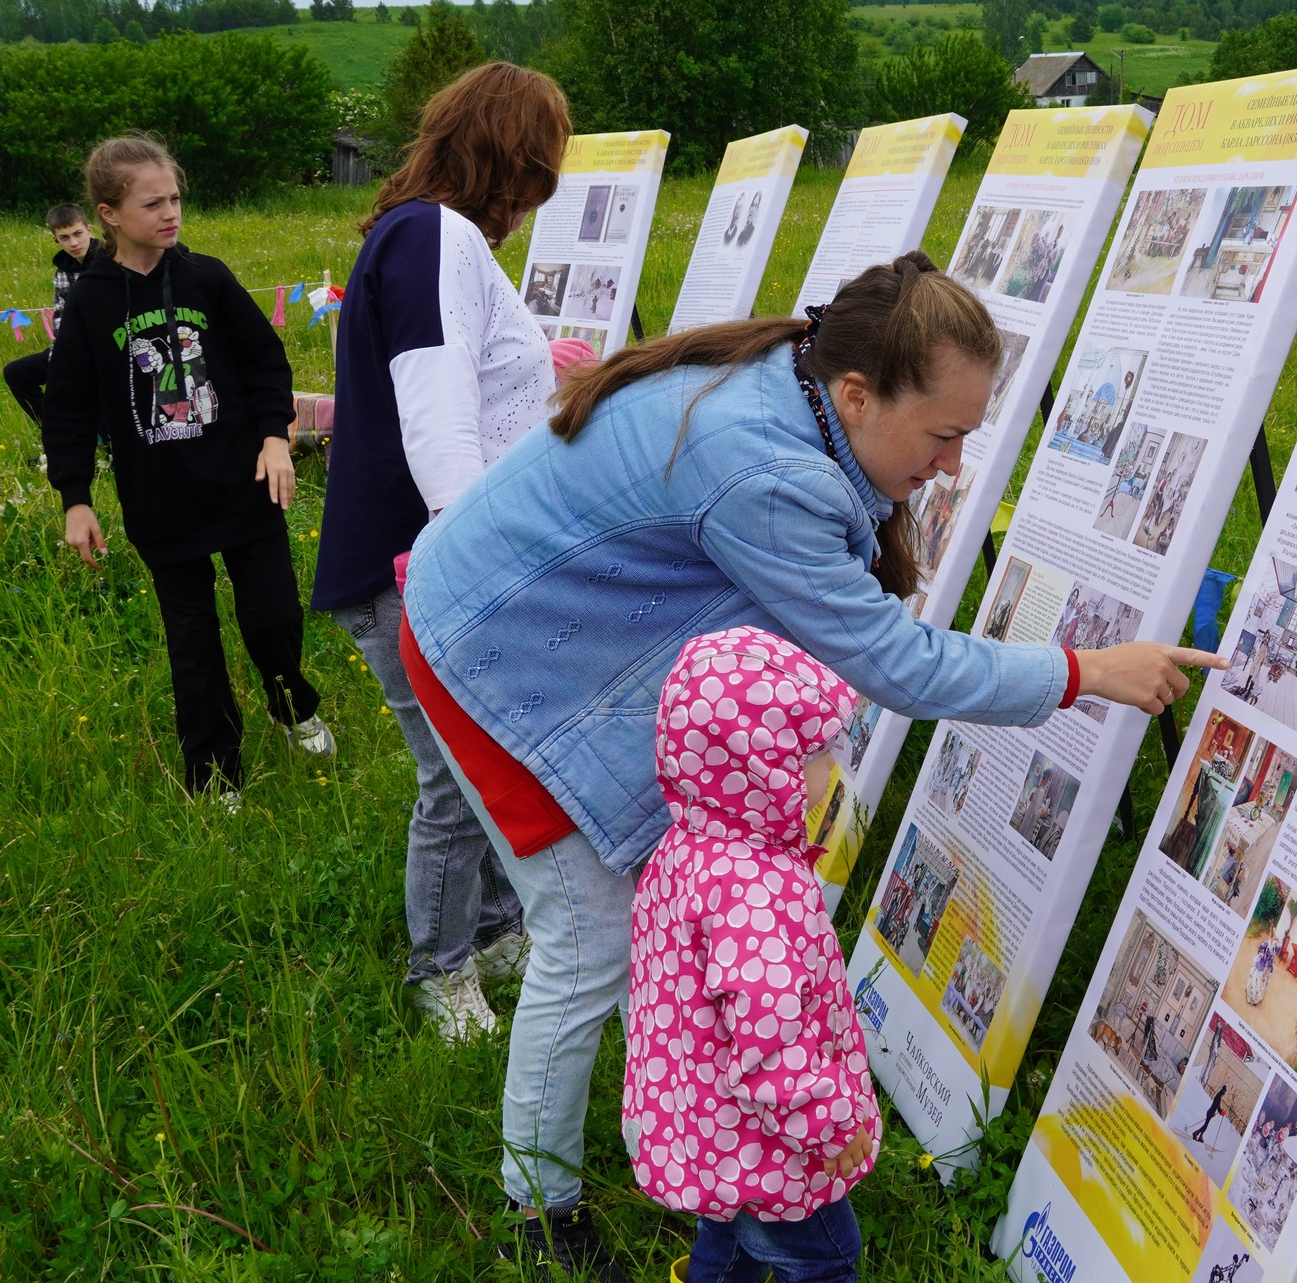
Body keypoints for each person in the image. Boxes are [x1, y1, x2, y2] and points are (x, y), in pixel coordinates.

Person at [401, 251, 1220, 1276]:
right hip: (495, 650)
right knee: (585, 934)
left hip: (528, 614)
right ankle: (539, 1213)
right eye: (944, 436)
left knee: (646, 911)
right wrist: (1084, 668)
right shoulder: (770, 472)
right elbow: (886, 658)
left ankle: (686, 1114)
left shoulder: (802, 379)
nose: (954, 465)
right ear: (856, 395)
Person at [313, 63, 564, 1039]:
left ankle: (497, 931)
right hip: (420, 570)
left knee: (483, 767)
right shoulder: (433, 237)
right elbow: (436, 414)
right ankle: (442, 972)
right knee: (458, 782)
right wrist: (471, 570)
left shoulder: (417, 236)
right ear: (516, 154)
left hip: (424, 561)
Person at [44, 134, 333, 798]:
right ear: (109, 213)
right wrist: (76, 497)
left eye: (175, 198)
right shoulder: (91, 302)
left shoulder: (208, 278)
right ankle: (213, 772)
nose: (171, 213)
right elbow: (68, 406)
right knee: (192, 644)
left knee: (274, 618)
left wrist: (272, 437)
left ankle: (292, 705)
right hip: (162, 503)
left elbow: (266, 361)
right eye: (153, 203)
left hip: (245, 484)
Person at [624, 628, 876, 1283]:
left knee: (728, 1231)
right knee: (828, 1259)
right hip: (777, 1140)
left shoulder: (692, 843)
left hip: (711, 1124)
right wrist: (828, 1125)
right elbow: (769, 1040)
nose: (834, 764)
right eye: (818, 751)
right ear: (765, 768)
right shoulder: (754, 894)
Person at [1, 204, 101, 433]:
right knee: (17, 372)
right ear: (56, 240)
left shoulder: (111, 260)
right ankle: (58, 432)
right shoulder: (63, 269)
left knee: (96, 386)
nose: (73, 243)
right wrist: (63, 356)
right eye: (64, 238)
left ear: (89, 230)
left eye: (77, 234)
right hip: (73, 349)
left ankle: (105, 442)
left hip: (107, 350)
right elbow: (61, 318)